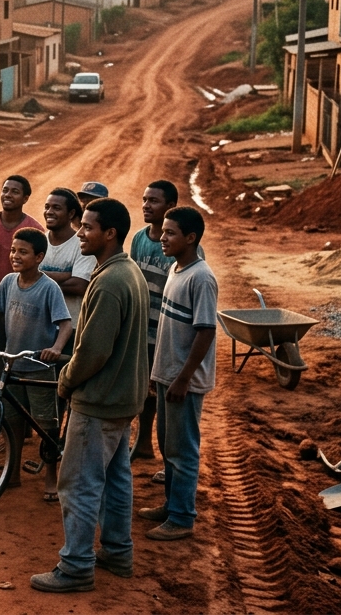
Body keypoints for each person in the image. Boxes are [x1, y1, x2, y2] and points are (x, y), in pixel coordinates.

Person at [32, 198, 149, 595]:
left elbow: (93, 352)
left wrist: (66, 380)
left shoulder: (110, 281)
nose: (80, 233)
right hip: (123, 399)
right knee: (116, 480)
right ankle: (117, 551)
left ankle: (77, 565)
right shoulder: (127, 271)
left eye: (88, 227)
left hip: (98, 401)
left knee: (78, 484)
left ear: (110, 233)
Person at [0, 228, 72, 500]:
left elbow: (65, 323)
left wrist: (56, 348)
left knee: (46, 425)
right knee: (11, 423)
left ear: (39, 257)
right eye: (13, 250)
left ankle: (51, 478)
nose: (15, 255)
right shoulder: (8, 281)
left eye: (22, 252)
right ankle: (11, 475)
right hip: (12, 366)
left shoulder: (48, 287)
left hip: (39, 367)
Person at [138, 207, 216, 542]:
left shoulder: (201, 277)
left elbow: (205, 331)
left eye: (170, 233)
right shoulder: (175, 268)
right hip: (167, 374)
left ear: (191, 238)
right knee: (169, 447)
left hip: (184, 380)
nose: (163, 238)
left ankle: (183, 517)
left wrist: (184, 378)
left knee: (183, 451)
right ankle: (171, 505)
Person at [129, 180, 204, 465]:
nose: (146, 205)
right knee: (145, 391)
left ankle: (171, 460)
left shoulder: (187, 250)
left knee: (169, 401)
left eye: (154, 201)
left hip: (168, 334)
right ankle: (144, 441)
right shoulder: (138, 239)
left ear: (170, 206)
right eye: (144, 199)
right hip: (142, 330)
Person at [0, 175, 44, 348]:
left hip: (22, 311)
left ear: (25, 198)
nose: (8, 195)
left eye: (15, 192)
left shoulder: (35, 230)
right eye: (5, 190)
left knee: (18, 363)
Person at [39, 188, 95, 325]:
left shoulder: (84, 245)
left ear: (71, 214)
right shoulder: (39, 241)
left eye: (56, 208)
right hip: (40, 324)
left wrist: (38, 277)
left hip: (72, 326)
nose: (49, 212)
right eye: (47, 207)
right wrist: (67, 275)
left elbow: (79, 285)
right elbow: (24, 277)